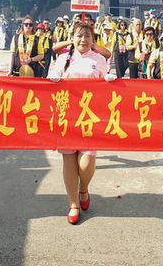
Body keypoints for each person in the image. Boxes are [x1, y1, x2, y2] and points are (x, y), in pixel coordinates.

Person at [48, 22, 115, 224]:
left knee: (86, 164)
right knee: (69, 161)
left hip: (90, 117)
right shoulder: (62, 59)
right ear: (72, 38)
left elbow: (107, 88)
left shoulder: (99, 59)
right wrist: (52, 79)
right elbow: (51, 82)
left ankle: (83, 188)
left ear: (93, 39)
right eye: (79, 35)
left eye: (87, 36)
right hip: (66, 117)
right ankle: (73, 204)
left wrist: (112, 81)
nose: (83, 40)